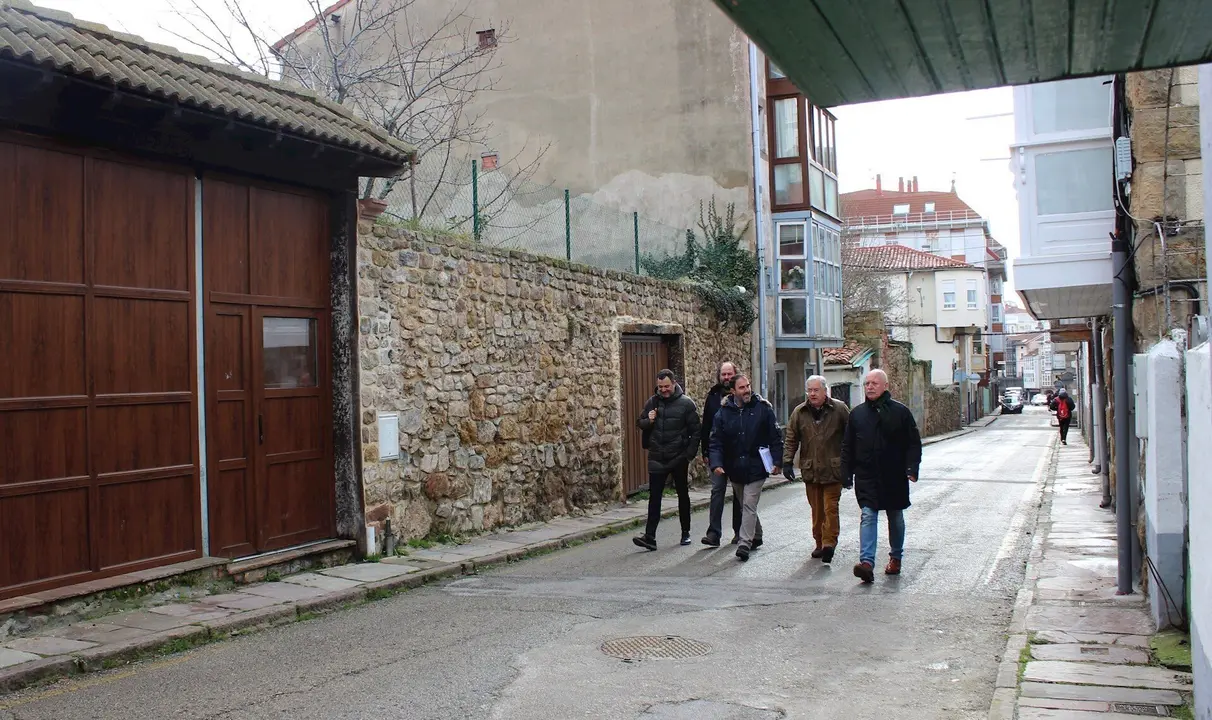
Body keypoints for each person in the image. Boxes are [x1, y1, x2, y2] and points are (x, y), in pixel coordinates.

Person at [840, 369, 922, 583]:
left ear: (885, 386)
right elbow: (848, 446)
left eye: (874, 383)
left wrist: (912, 468)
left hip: (893, 475)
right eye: (867, 383)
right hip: (866, 475)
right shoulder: (857, 414)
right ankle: (866, 563)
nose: (869, 387)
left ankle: (896, 557)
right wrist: (846, 473)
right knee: (868, 515)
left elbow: (913, 443)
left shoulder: (900, 413)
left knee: (895, 516)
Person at [709, 374, 783, 561]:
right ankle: (756, 534)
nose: (747, 390)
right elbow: (716, 441)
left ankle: (744, 543)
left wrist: (778, 461)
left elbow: (775, 437)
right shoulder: (723, 413)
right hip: (735, 468)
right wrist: (716, 463)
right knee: (744, 504)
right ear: (733, 391)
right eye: (742, 388)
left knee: (749, 503)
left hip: (757, 466)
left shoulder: (762, 409)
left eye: (748, 386)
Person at [782, 375, 850, 564]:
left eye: (816, 390)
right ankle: (819, 543)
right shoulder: (799, 412)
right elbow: (791, 438)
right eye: (809, 390)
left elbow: (851, 436)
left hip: (833, 469)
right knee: (817, 511)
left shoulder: (839, 409)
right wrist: (787, 461)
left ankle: (829, 543)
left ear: (825, 391)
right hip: (811, 470)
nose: (812, 394)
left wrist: (850, 464)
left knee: (830, 508)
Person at [633, 369, 701, 551]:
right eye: (660, 387)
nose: (663, 390)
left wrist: (688, 455)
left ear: (674, 383)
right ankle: (650, 537)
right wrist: (648, 420)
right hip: (657, 456)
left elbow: (696, 431)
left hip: (678, 457)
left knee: (682, 494)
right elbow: (640, 423)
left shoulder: (686, 404)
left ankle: (685, 532)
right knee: (654, 497)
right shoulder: (652, 402)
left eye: (666, 386)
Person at [700, 361, 743, 547]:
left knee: (738, 492)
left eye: (729, 374)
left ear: (735, 374)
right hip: (717, 453)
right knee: (717, 491)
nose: (726, 378)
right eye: (723, 374)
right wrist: (705, 450)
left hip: (737, 453)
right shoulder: (712, 396)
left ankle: (739, 532)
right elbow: (706, 424)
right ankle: (713, 533)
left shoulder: (742, 396)